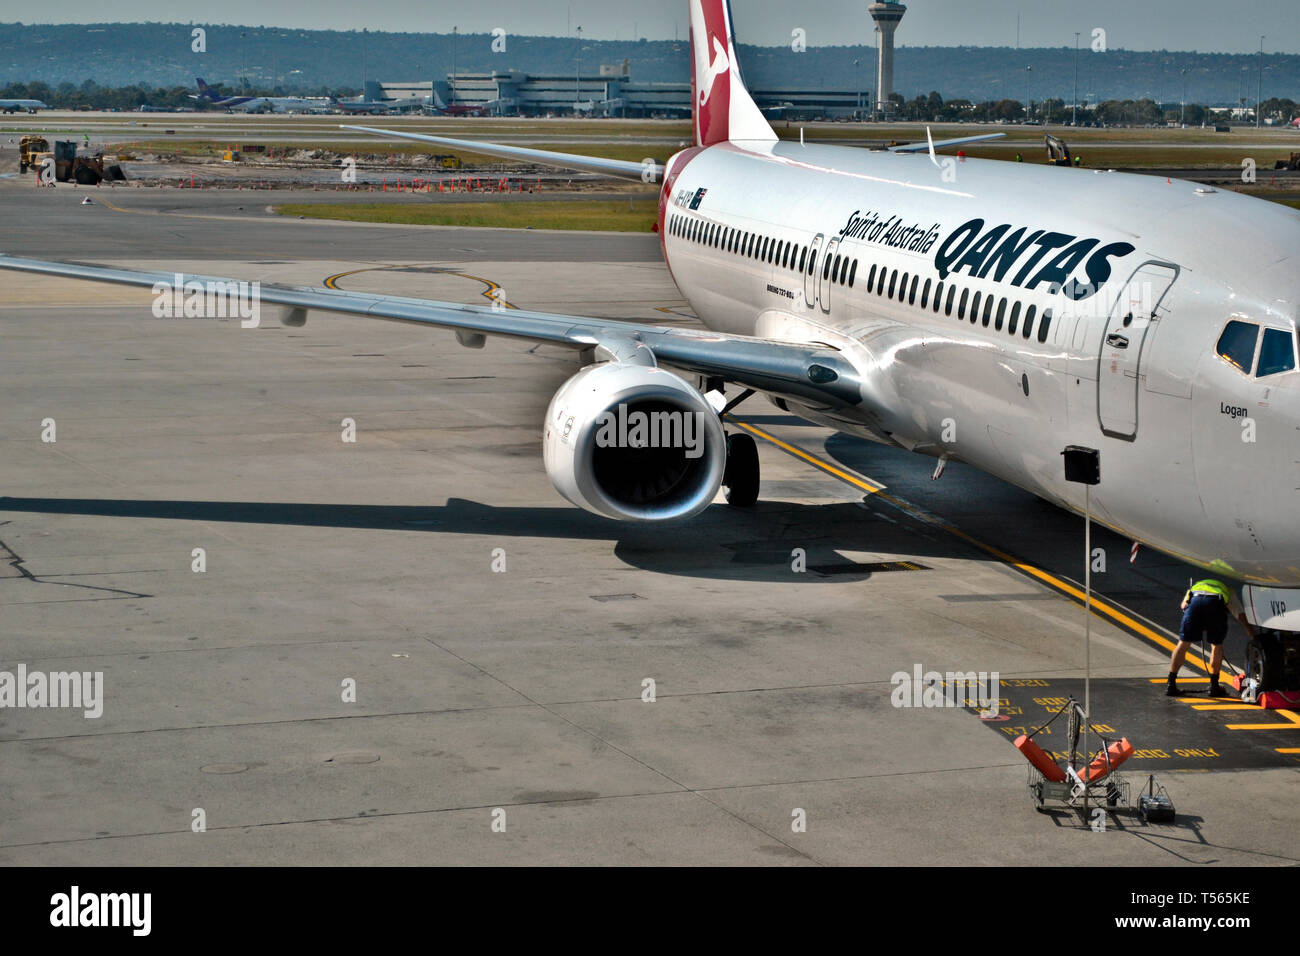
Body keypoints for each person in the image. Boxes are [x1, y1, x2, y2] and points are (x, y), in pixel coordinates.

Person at [1167, 579, 1254, 697]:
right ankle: (1214, 687)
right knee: (1216, 645)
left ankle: (1171, 684)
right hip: (1215, 605)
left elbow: (1184, 606)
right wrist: (1250, 631)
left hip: (1195, 604)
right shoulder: (1227, 590)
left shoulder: (1195, 586)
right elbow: (1239, 613)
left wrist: (1198, 620)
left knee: (1183, 643)